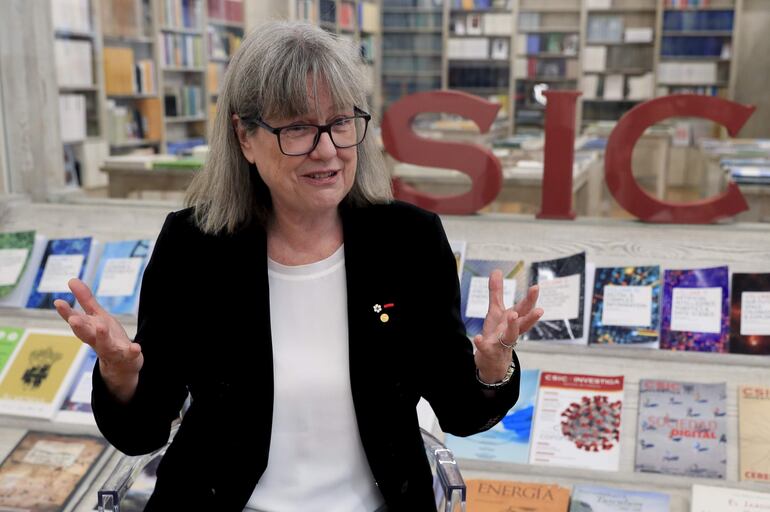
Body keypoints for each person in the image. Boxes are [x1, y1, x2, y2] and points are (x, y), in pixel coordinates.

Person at [54, 21, 543, 511]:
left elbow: (460, 411)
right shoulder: (194, 246)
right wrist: (120, 375)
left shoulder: (409, 242)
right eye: (298, 129)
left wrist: (492, 367)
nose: (327, 149)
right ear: (244, 137)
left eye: (341, 122)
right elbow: (140, 433)